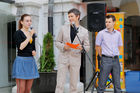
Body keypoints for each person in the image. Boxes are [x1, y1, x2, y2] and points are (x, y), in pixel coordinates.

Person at [55, 8, 90, 93]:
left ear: (77, 17)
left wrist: (82, 48)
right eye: (69, 16)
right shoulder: (63, 28)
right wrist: (64, 46)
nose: (70, 18)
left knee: (74, 84)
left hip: (75, 59)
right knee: (60, 82)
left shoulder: (84, 31)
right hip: (63, 58)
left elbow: (87, 46)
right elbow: (57, 42)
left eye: (72, 16)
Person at [12, 14, 39, 93]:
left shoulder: (32, 34)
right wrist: (30, 35)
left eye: (30, 21)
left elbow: (33, 47)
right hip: (21, 61)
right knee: (21, 89)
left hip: (30, 62)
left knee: (27, 90)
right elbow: (21, 47)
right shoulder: (18, 33)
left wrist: (34, 51)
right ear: (21, 22)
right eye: (27, 21)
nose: (29, 22)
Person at [96, 15, 123, 93]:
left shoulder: (118, 34)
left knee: (117, 84)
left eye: (109, 22)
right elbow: (97, 46)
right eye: (106, 22)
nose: (107, 23)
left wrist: (114, 53)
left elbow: (120, 46)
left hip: (116, 60)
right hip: (105, 60)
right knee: (102, 83)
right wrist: (103, 56)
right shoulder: (101, 33)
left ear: (114, 22)